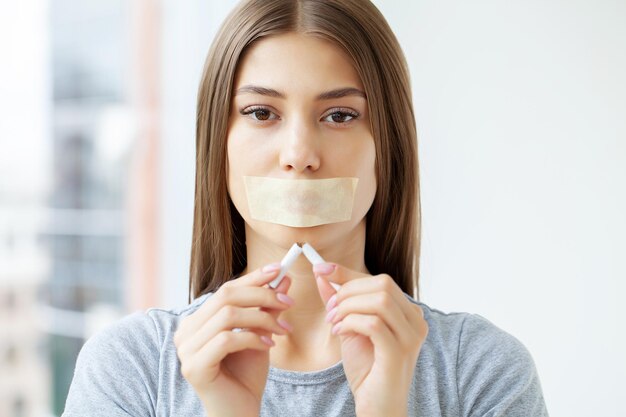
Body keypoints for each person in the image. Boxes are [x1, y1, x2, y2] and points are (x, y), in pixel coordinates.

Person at [63, 0, 549, 416]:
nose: (299, 154)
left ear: (388, 147)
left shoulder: (483, 372)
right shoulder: (130, 370)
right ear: (219, 143)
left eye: (339, 115)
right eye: (261, 113)